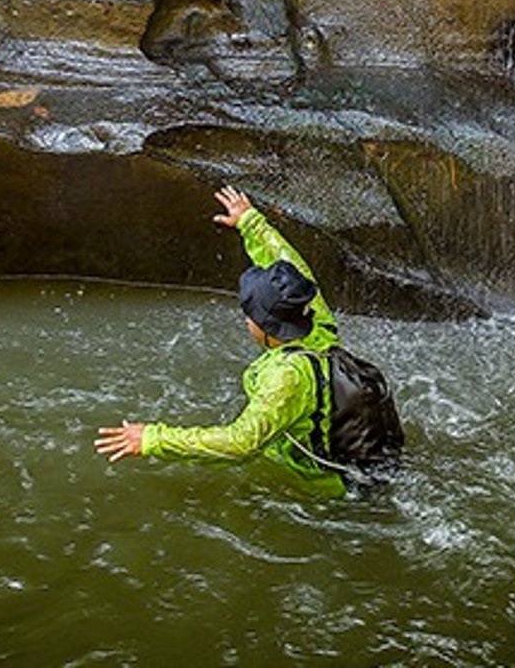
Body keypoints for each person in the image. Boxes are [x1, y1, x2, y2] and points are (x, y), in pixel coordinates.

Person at [94, 185, 349, 498]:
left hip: (328, 490)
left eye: (250, 314)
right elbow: (293, 269)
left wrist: (152, 439)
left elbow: (240, 443)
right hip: (344, 452)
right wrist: (250, 222)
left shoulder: (287, 377)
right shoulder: (316, 322)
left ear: (268, 326)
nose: (245, 320)